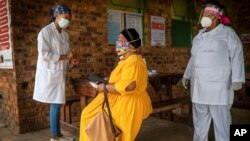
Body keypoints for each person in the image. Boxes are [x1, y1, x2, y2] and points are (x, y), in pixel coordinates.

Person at [181, 0, 245, 141]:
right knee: (200, 125)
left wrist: (237, 79)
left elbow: (237, 55)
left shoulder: (227, 33)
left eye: (209, 13)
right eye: (204, 13)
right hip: (199, 88)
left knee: (222, 125)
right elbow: (194, 58)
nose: (205, 15)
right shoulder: (198, 36)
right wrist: (187, 75)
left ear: (218, 16)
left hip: (219, 89)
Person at [80, 28, 152, 141]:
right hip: (119, 99)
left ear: (132, 45)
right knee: (89, 116)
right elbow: (124, 79)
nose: (118, 44)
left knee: (117, 134)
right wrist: (108, 81)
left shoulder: (134, 62)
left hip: (127, 103)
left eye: (121, 40)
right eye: (118, 40)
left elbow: (129, 86)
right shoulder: (127, 60)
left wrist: (103, 87)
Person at [33, 4, 79, 141]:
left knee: (57, 104)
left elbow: (66, 55)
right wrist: (67, 57)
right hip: (49, 75)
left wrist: (72, 61)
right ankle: (55, 137)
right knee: (56, 104)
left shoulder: (65, 35)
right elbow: (44, 55)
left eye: (69, 18)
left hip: (59, 74)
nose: (67, 20)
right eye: (65, 17)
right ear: (56, 16)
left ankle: (57, 135)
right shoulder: (45, 32)